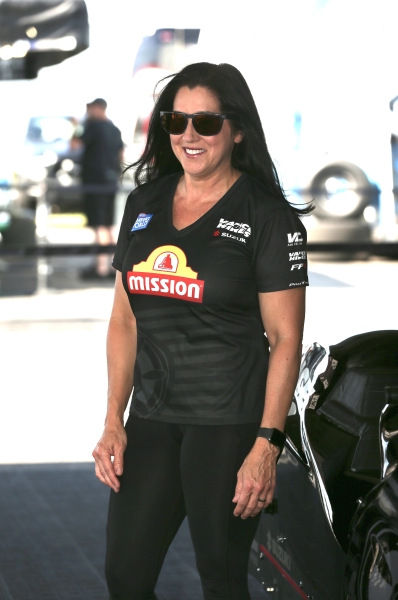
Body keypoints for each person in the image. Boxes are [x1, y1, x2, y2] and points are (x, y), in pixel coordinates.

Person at [92, 62, 310, 599]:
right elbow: (124, 318)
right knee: (125, 576)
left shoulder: (268, 217)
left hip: (228, 427)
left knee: (221, 580)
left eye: (206, 122)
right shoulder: (143, 204)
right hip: (152, 419)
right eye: (176, 121)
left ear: (237, 131)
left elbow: (285, 340)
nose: (189, 135)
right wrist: (113, 418)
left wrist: (267, 444)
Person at [73, 98, 124, 278]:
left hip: (95, 182)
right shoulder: (114, 129)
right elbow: (121, 155)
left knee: (100, 225)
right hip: (111, 181)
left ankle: (101, 268)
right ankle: (113, 266)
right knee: (109, 225)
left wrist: (78, 126)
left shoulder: (93, 126)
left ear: (97, 108)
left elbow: (74, 145)